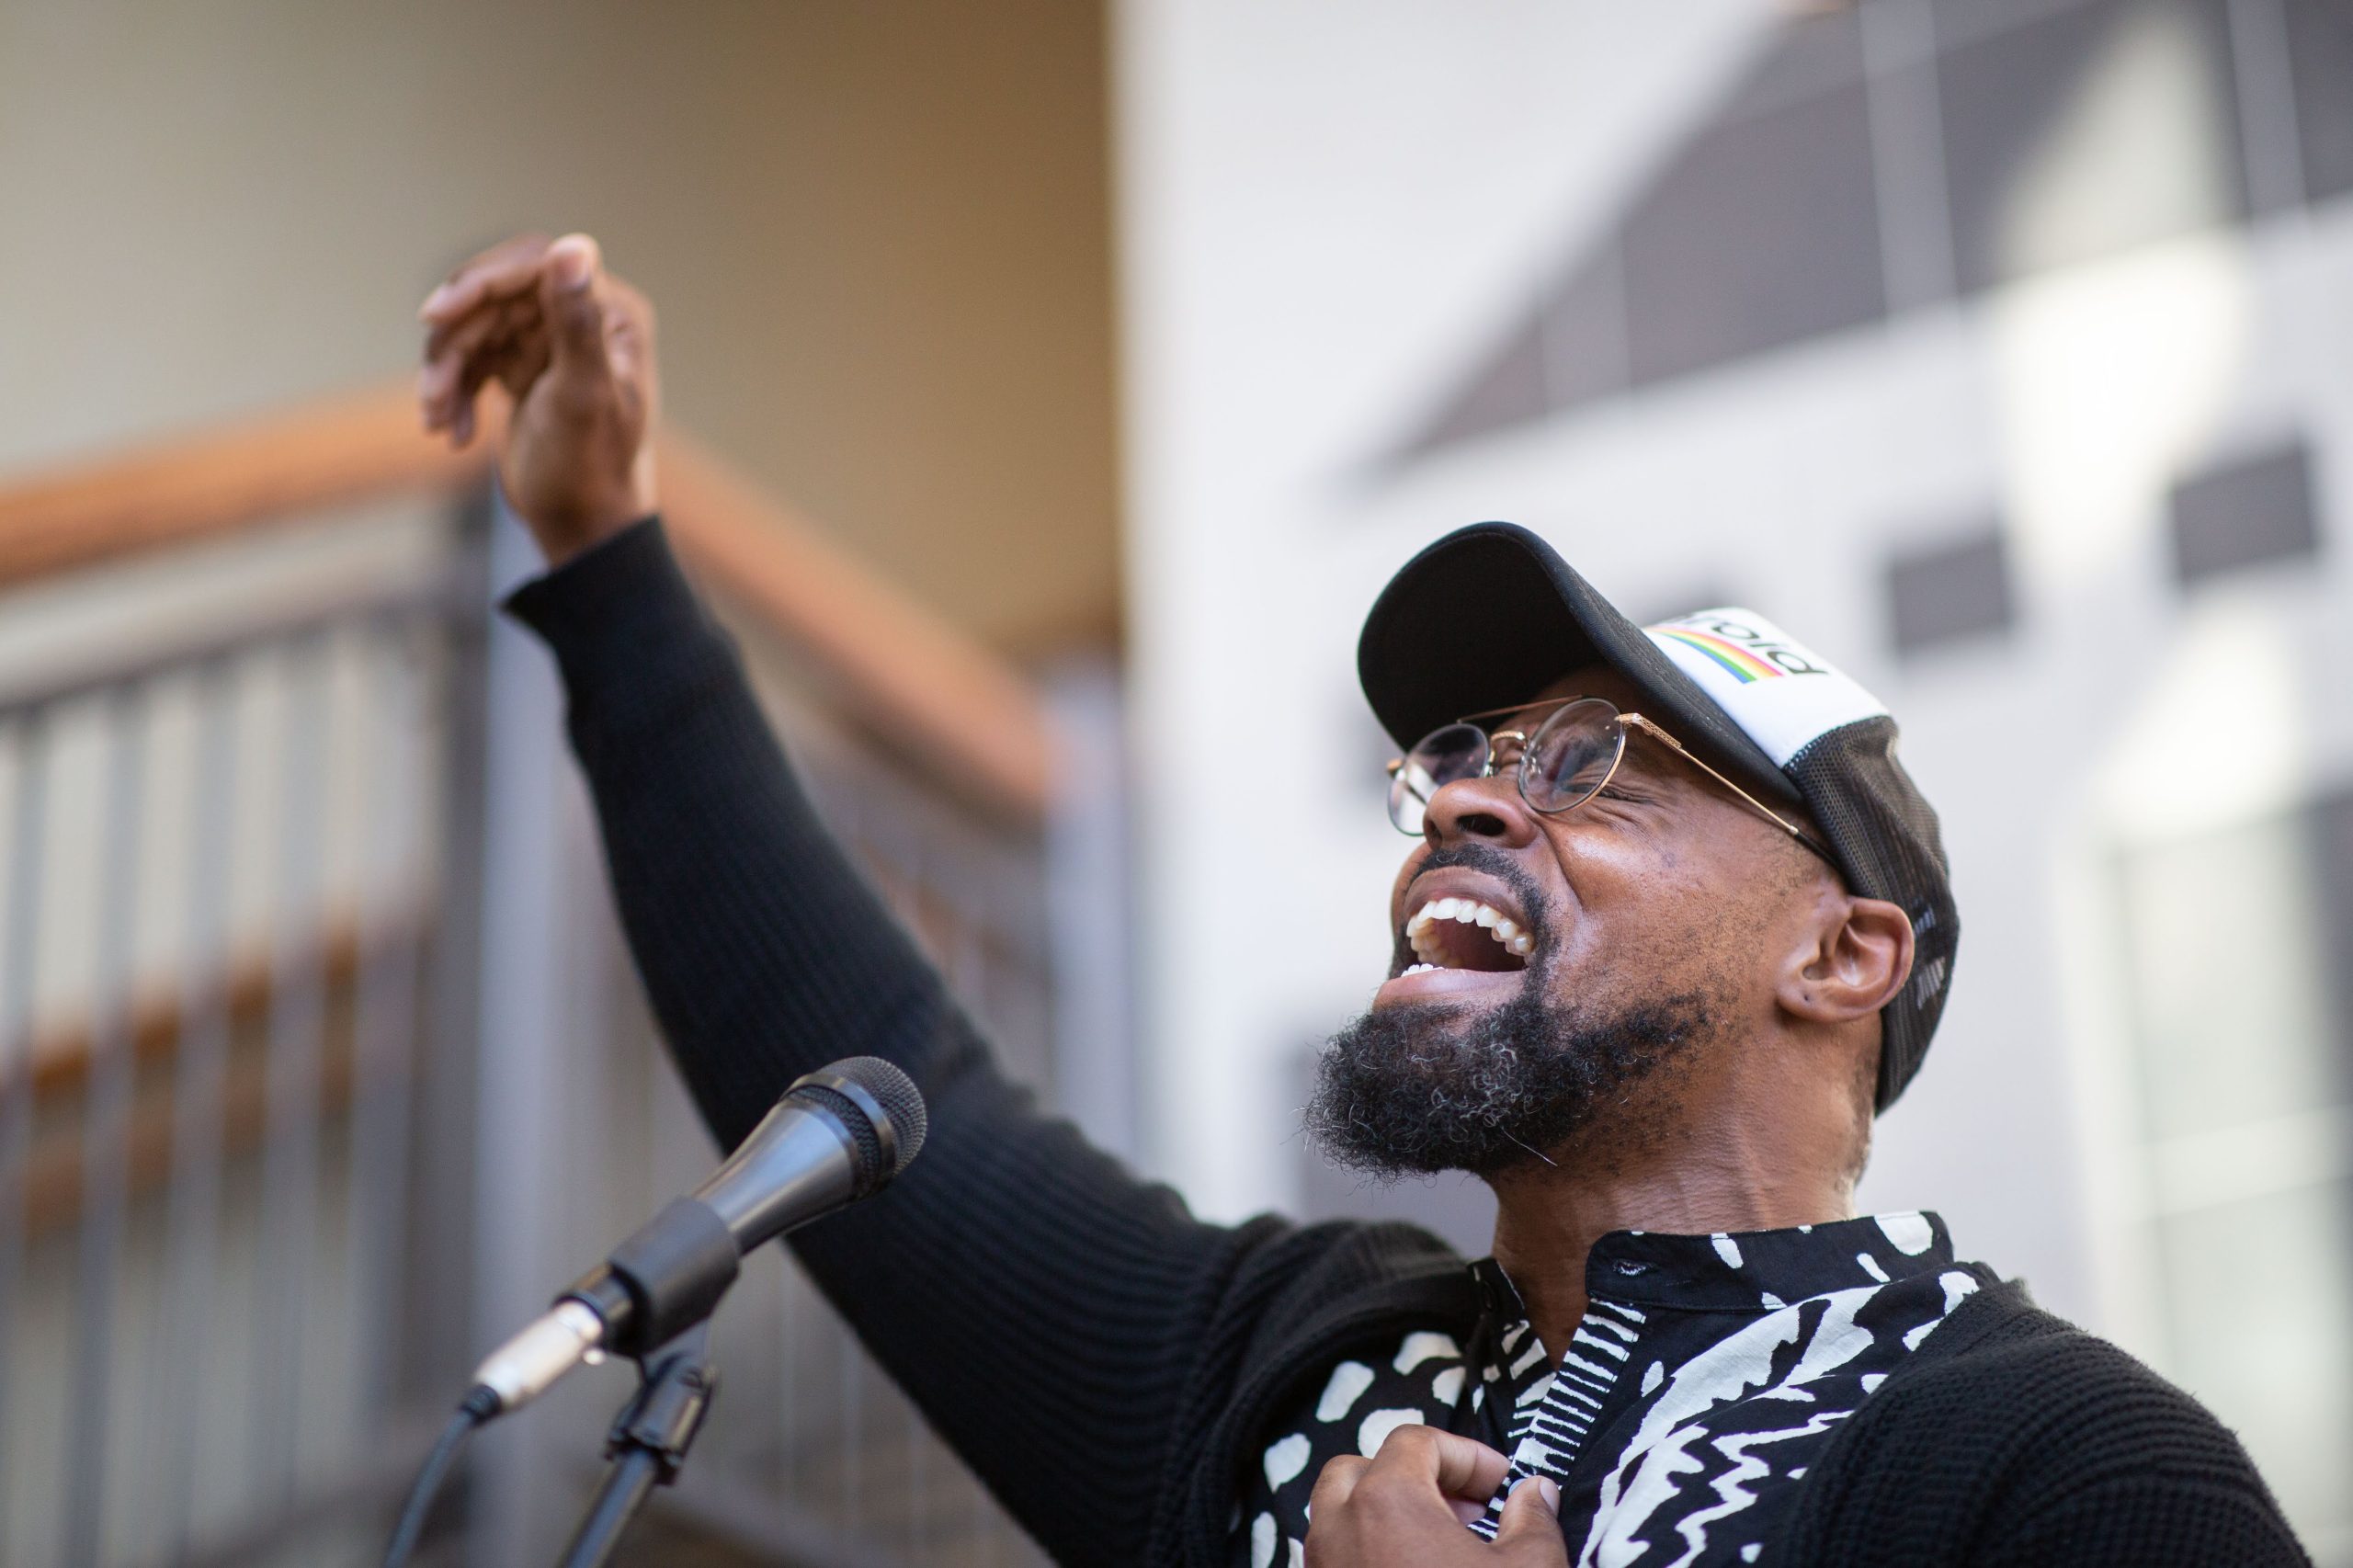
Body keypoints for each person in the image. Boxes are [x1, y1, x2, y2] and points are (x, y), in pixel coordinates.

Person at [415, 233, 2308, 1568]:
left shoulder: (2062, 1470)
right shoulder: (1288, 1364)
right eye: (1457, 762)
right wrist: (604, 553)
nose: (1467, 794)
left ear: (1842, 951)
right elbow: (884, 1086)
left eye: (1591, 767)